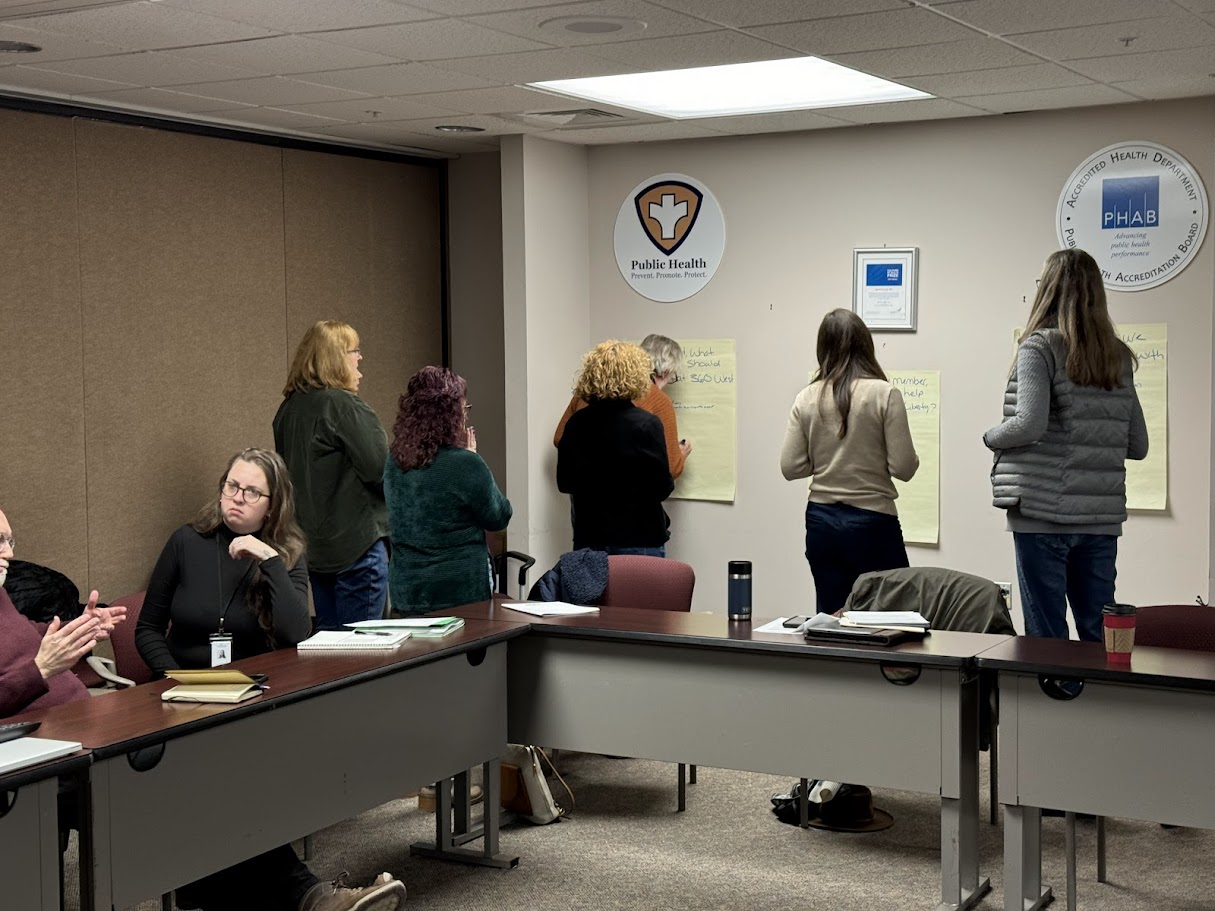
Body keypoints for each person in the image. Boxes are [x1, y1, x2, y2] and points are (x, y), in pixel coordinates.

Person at [133, 451, 406, 911]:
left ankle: (228, 890)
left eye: (251, 492)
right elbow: (146, 629)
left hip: (252, 699)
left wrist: (269, 560)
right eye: (231, 486)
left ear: (273, 505)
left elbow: (297, 634)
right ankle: (313, 896)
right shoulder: (185, 542)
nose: (236, 498)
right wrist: (174, 679)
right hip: (183, 698)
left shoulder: (287, 555)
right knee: (225, 774)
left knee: (233, 775)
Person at [984, 248, 1148, 642]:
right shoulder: (1118, 357)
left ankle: (1053, 703)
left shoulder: (1039, 347)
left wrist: (989, 437)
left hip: (1041, 515)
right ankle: (1096, 704)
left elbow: (1028, 424)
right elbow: (1138, 444)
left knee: (1046, 633)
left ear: (1048, 291)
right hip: (1100, 520)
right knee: (1099, 631)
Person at [780, 309, 919, 614]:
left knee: (831, 617)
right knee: (892, 616)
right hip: (873, 522)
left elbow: (790, 467)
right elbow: (904, 468)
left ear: (823, 348)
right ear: (865, 345)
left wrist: (823, 460)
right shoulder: (885, 394)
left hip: (821, 522)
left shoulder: (806, 397)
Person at [274, 320, 390, 629]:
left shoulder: (287, 411)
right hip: (357, 550)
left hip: (316, 553)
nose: (360, 358)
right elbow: (381, 472)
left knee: (332, 658)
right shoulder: (345, 406)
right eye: (355, 350)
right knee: (362, 659)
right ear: (335, 357)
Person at [383, 367, 512, 614]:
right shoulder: (465, 464)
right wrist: (473, 458)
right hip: (460, 594)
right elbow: (499, 517)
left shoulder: (393, 463)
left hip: (407, 592)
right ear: (451, 415)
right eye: (464, 409)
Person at [0, 507, 125, 717]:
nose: (10, 553)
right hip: (37, 738)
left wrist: (83, 626)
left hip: (76, 715)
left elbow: (29, 634)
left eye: (9, 541)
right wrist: (40, 669)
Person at [557, 340, 674, 555]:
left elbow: (564, 483)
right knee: (639, 590)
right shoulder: (646, 424)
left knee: (593, 591)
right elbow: (662, 487)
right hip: (641, 537)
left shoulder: (576, 423)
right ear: (637, 376)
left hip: (590, 538)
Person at [554, 333, 691, 478]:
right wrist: (681, 454)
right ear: (665, 372)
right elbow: (671, 468)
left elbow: (559, 439)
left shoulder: (586, 391)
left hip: (584, 493)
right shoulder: (659, 401)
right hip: (631, 495)